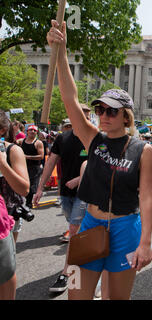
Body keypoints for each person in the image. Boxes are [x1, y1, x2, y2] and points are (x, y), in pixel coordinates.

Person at [47, 20, 152, 300]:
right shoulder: (93, 138)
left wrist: (146, 243)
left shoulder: (142, 150)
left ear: (126, 117)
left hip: (125, 232)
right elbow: (70, 99)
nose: (104, 115)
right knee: (75, 294)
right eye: (100, 109)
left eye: (111, 111)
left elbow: (145, 199)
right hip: (88, 228)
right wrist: (61, 52)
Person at [33, 104, 91, 293]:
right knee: (75, 228)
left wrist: (80, 178)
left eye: (88, 115)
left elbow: (101, 166)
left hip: (87, 193)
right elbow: (51, 162)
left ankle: (67, 274)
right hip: (65, 194)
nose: (86, 118)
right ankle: (86, 258)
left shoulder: (95, 138)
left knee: (73, 230)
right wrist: (40, 188)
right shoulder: (62, 138)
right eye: (82, 115)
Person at [0, 110, 30, 300]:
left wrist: (3, 165)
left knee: (6, 268)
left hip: (8, 215)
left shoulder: (12, 150)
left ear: (2, 130)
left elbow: (24, 188)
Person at [17, 125, 44, 210]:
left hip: (35, 167)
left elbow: (41, 156)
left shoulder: (38, 143)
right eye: (30, 130)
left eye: (34, 131)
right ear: (27, 132)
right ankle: (20, 202)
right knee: (22, 183)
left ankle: (28, 204)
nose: (32, 132)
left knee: (32, 185)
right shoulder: (21, 141)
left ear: (36, 133)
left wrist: (27, 157)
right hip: (23, 166)